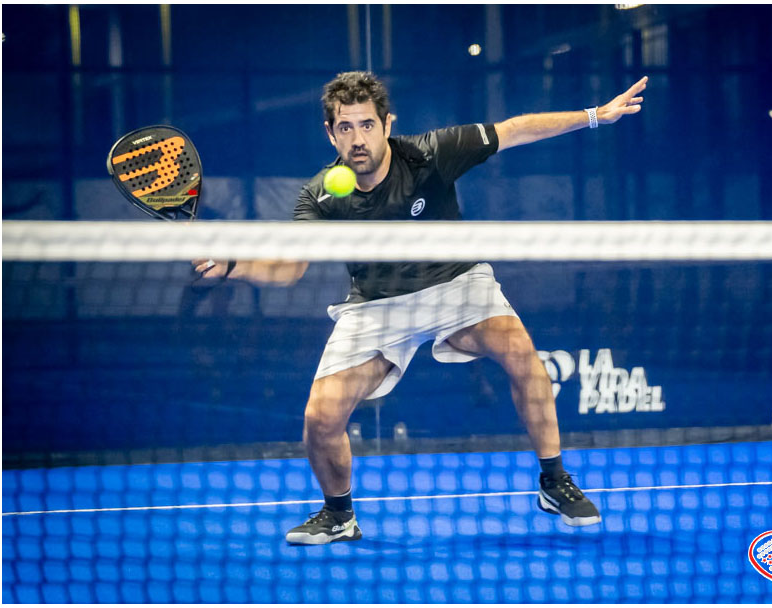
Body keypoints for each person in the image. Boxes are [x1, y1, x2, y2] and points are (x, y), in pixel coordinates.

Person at [197, 71, 647, 544]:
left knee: (522, 355)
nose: (357, 139)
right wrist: (230, 266)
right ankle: (339, 514)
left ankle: (553, 480)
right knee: (320, 418)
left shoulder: (430, 154)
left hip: (456, 285)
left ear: (387, 124)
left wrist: (595, 116)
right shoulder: (322, 195)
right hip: (376, 307)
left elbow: (513, 130)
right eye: (345, 127)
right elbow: (289, 268)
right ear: (330, 133)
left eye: (367, 125)